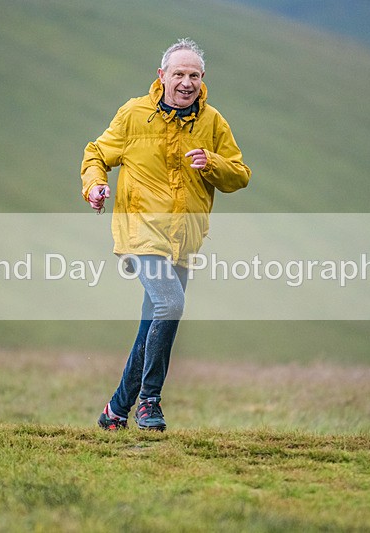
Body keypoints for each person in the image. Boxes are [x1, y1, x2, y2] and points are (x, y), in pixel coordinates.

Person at [81, 38, 250, 431]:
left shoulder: (212, 123)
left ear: (202, 79)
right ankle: (150, 402)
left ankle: (115, 411)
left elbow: (240, 175)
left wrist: (212, 162)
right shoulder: (134, 114)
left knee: (153, 323)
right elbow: (96, 154)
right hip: (140, 232)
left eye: (194, 75)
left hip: (183, 241)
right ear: (162, 76)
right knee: (170, 306)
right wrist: (94, 187)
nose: (186, 82)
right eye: (179, 74)